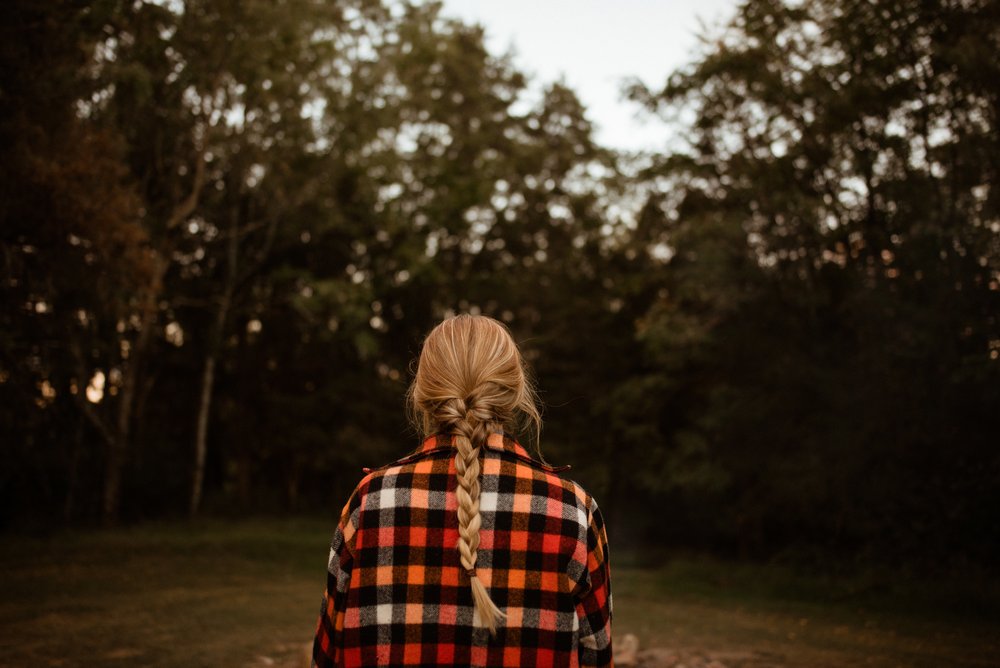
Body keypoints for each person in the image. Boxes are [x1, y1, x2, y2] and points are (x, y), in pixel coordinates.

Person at [312, 314, 612, 667]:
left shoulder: (370, 501)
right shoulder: (572, 510)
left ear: (423, 393)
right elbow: (597, 657)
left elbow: (327, 655)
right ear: (515, 392)